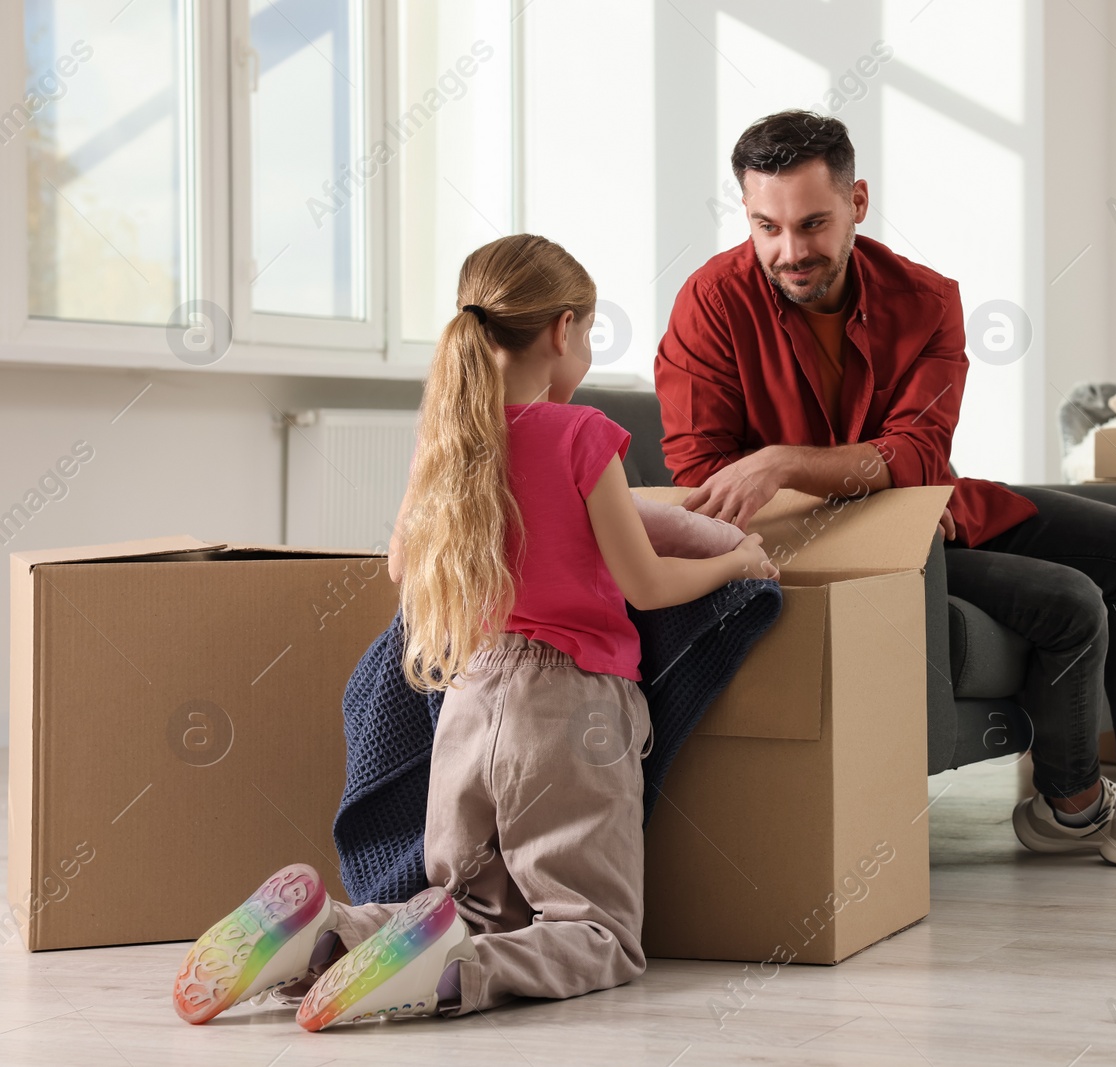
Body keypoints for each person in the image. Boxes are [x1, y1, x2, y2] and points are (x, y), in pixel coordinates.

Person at [655, 111, 1116, 871]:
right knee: (1068, 598)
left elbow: (918, 455)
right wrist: (816, 477)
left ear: (858, 200)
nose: (790, 252)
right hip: (816, 544)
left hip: (931, 509)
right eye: (767, 227)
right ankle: (1075, 805)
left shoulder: (924, 299)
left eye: (813, 224)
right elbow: (702, 472)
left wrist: (787, 462)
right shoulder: (711, 303)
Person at [172, 234, 776, 1030]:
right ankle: (456, 971)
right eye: (589, 333)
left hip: (467, 703)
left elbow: (400, 565)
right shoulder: (583, 436)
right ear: (562, 330)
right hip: (570, 712)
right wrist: (736, 567)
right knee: (596, 933)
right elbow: (647, 582)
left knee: (471, 906)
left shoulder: (450, 442)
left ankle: (325, 934)